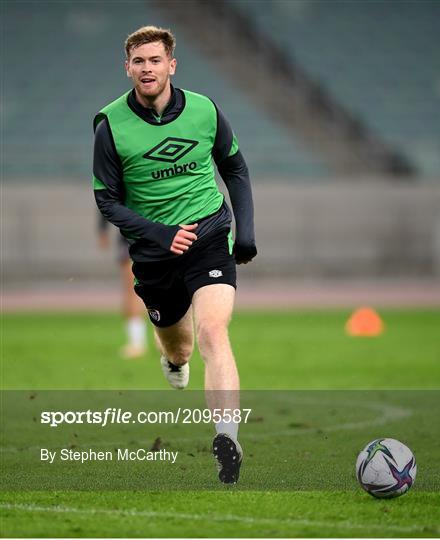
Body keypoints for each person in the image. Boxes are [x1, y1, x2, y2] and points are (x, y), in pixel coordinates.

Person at [92, 25, 257, 484]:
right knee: (180, 347)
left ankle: (227, 439)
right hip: (153, 252)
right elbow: (107, 201)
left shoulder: (205, 110)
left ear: (171, 65)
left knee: (213, 330)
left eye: (155, 60)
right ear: (127, 68)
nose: (148, 68)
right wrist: (160, 234)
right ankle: (173, 361)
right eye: (139, 61)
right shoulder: (109, 125)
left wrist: (245, 232)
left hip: (208, 234)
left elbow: (235, 167)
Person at [97, 215, 148, 359]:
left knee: (135, 291)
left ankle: (139, 343)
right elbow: (106, 201)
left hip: (144, 238)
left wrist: (102, 230)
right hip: (135, 239)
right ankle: (138, 342)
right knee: (133, 290)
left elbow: (105, 199)